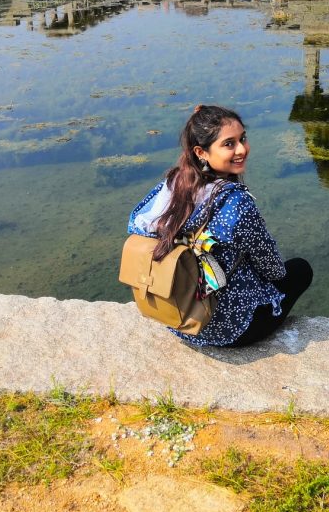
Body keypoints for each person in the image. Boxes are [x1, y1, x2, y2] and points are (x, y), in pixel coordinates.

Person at [128, 105, 312, 347]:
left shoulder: (173, 183)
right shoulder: (237, 203)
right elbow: (273, 270)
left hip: (177, 318)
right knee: (300, 269)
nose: (241, 149)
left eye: (242, 139)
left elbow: (136, 226)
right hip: (228, 329)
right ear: (201, 152)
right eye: (229, 144)